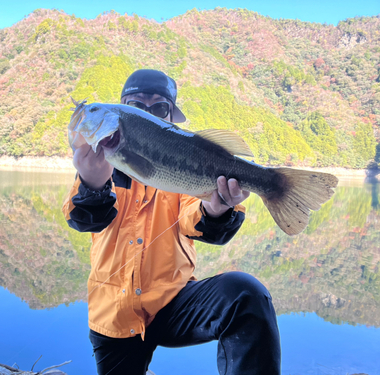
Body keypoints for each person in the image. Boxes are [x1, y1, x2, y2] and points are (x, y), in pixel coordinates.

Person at [62, 69, 281, 375]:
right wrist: (92, 182)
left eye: (159, 107)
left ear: (170, 117)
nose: (147, 112)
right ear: (123, 110)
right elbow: (84, 220)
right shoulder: (98, 164)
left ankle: (278, 184)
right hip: (113, 315)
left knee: (246, 295)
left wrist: (216, 208)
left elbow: (201, 224)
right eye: (136, 105)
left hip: (174, 304)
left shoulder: (188, 164)